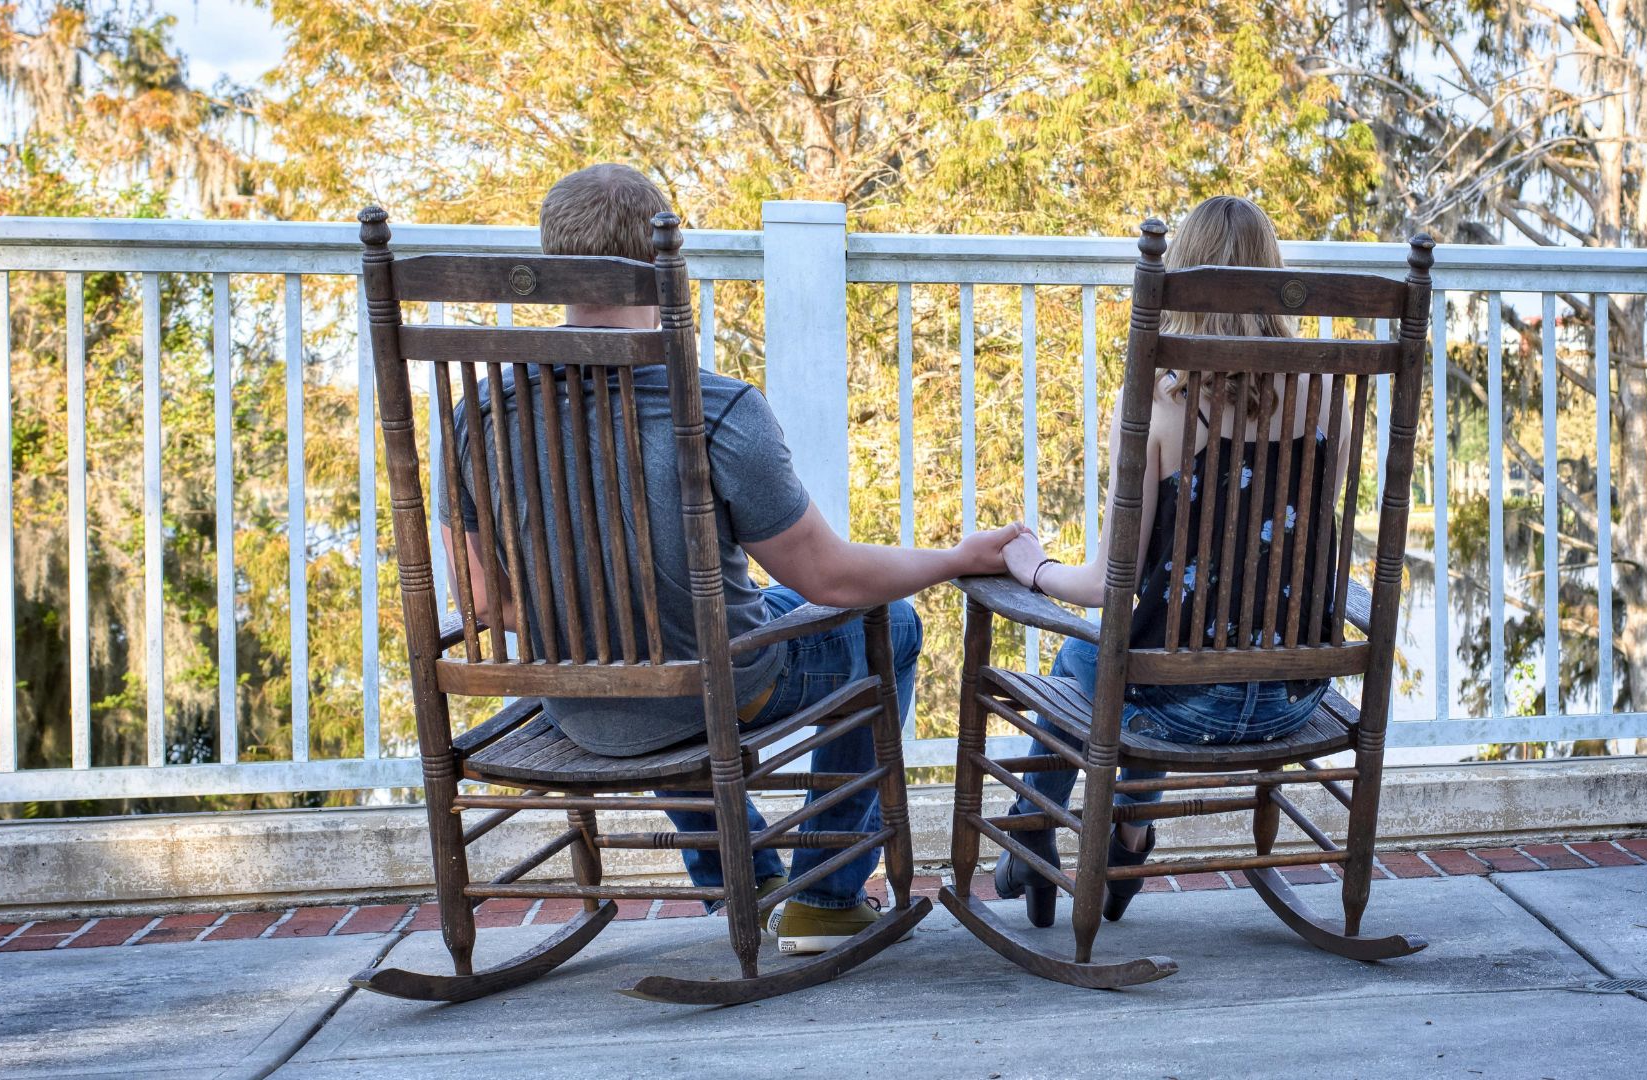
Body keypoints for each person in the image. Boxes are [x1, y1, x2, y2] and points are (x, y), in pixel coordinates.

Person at [438, 163, 1019, 954]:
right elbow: (828, 579)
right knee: (891, 624)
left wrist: (591, 626)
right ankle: (825, 897)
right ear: (661, 264)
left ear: (554, 262)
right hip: (709, 692)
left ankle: (742, 877)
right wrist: (955, 558)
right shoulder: (717, 407)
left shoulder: (478, 411)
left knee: (672, 639)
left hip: (576, 704)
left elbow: (481, 601)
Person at [993, 194, 1340, 927]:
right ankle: (1126, 839)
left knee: (1093, 659)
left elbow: (1103, 586)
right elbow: (1299, 549)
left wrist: (1035, 568)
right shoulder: (1328, 396)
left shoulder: (1159, 402)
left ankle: (1038, 825)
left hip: (1190, 708)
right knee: (1138, 655)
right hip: (1294, 697)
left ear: (1182, 278)